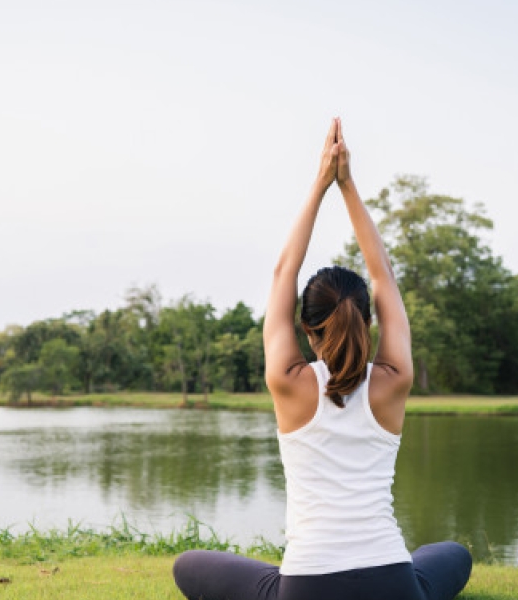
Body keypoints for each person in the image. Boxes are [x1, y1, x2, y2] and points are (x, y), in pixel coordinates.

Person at [172, 119, 472, 600]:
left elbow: (282, 272)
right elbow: (384, 276)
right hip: (393, 586)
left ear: (306, 328)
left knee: (189, 565)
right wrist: (348, 186)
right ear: (369, 323)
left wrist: (320, 183)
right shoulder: (394, 380)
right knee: (453, 553)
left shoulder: (287, 381)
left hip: (306, 588)